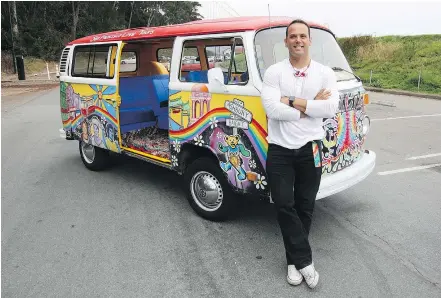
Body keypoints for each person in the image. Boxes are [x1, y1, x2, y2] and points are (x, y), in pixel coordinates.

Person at [260, 19, 339, 289]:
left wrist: (291, 101)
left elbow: (329, 108)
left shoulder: (324, 73)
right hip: (280, 149)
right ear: (286, 41)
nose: (297, 40)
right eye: (292, 36)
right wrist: (309, 106)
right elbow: (273, 110)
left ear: (309, 40)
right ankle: (305, 260)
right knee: (284, 204)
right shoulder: (274, 73)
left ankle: (293, 261)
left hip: (312, 148)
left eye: (302, 36)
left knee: (306, 205)